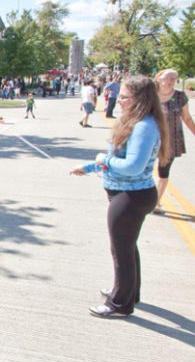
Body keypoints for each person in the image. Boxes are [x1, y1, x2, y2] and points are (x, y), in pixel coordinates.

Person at [70, 75, 170, 318]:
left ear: (140, 98)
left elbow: (133, 166)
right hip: (128, 195)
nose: (119, 100)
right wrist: (90, 167)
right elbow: (119, 158)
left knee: (121, 251)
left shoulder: (144, 126)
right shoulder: (137, 122)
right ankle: (127, 292)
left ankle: (120, 304)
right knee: (127, 248)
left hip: (131, 197)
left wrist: (102, 160)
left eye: (124, 96)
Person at [153, 69, 195, 214]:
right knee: (142, 169)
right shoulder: (151, 95)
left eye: (174, 78)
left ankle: (156, 201)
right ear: (159, 79)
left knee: (163, 172)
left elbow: (187, 118)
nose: (171, 80)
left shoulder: (180, 96)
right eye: (168, 77)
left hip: (171, 140)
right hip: (149, 139)